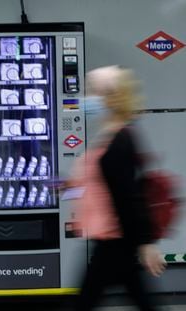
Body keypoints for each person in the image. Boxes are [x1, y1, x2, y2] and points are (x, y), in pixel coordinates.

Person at [71, 66, 166, 311]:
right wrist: (67, 186)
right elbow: (103, 183)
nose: (87, 97)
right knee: (140, 300)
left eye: (93, 91)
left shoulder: (121, 139)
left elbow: (130, 195)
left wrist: (145, 244)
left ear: (110, 98)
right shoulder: (110, 134)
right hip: (112, 238)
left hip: (114, 239)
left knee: (85, 302)